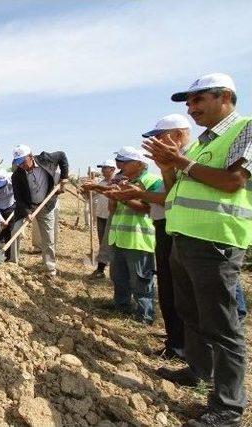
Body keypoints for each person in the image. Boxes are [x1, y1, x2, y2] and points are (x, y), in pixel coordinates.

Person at [144, 73, 250, 426]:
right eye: (188, 103)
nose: (191, 109)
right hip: (184, 238)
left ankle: (228, 408)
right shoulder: (201, 144)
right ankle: (198, 370)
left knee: (222, 325)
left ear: (224, 97)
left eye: (197, 100)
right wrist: (168, 166)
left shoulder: (244, 130)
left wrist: (181, 162)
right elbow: (175, 190)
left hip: (215, 241)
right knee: (190, 312)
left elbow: (233, 181)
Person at [102, 146, 160, 324]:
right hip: (119, 236)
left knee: (140, 279)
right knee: (119, 276)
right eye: (119, 161)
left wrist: (122, 197)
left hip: (138, 238)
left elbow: (149, 208)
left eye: (124, 161)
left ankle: (145, 315)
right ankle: (122, 306)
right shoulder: (122, 181)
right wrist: (113, 197)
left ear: (139, 163)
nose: (119, 165)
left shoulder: (152, 181)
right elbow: (112, 210)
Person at [9, 144, 69, 277]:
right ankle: (13, 263)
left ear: (30, 156)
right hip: (27, 206)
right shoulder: (17, 175)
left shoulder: (45, 159)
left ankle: (50, 268)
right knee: (15, 231)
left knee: (48, 238)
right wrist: (27, 211)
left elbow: (62, 155)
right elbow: (18, 197)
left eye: (23, 162)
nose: (21, 165)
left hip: (46, 205)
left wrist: (64, 178)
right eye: (18, 163)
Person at [82, 160, 116, 278]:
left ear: (112, 169)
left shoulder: (117, 182)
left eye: (105, 168)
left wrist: (94, 186)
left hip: (112, 218)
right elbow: (88, 196)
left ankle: (104, 269)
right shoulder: (101, 183)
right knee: (102, 243)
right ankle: (102, 268)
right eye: (101, 168)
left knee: (110, 244)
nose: (102, 170)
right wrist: (86, 189)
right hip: (101, 216)